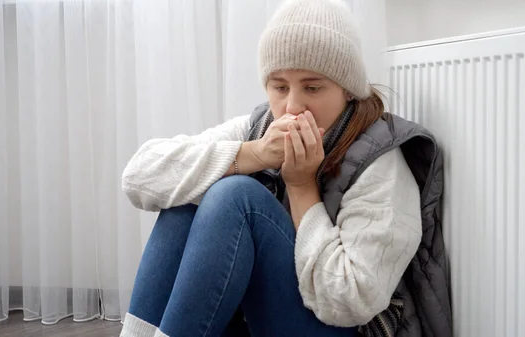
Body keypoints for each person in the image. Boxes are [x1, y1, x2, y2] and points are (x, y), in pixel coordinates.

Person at [119, 0, 452, 337]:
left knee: (237, 196)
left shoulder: (379, 161)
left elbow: (350, 303)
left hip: (347, 326)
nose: (292, 106)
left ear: (348, 90)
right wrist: (254, 154)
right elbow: (138, 177)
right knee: (188, 196)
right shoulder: (261, 128)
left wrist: (302, 187)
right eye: (280, 87)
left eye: (312, 87)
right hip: (267, 317)